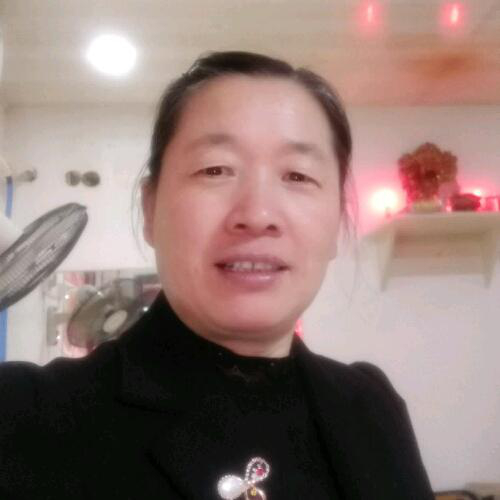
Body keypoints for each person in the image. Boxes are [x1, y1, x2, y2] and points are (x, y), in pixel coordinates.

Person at [0, 51, 434, 500]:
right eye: (215, 169)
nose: (258, 214)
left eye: (298, 175)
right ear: (150, 208)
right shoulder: (25, 417)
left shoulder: (370, 405)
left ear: (338, 220)